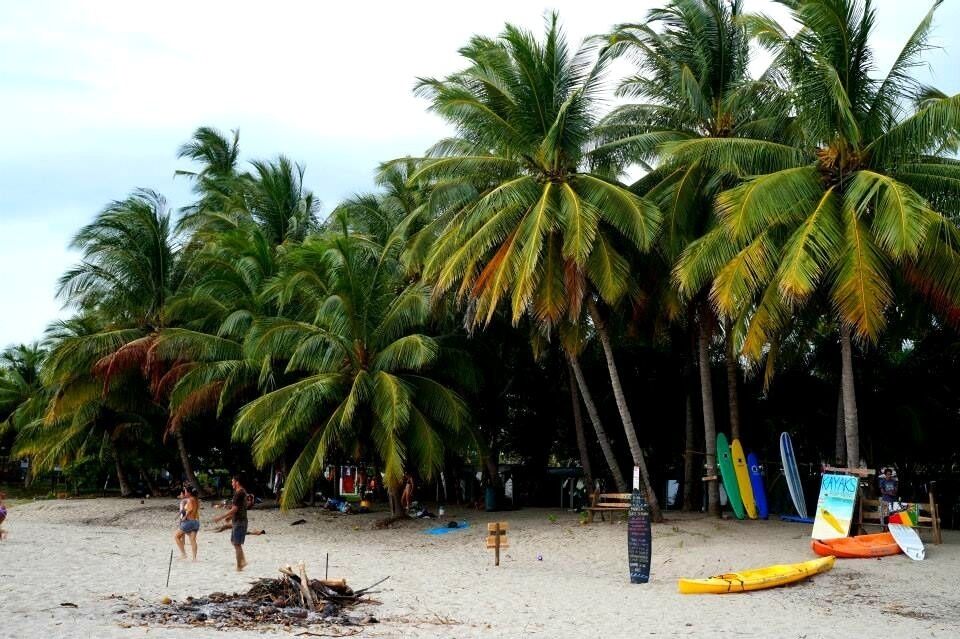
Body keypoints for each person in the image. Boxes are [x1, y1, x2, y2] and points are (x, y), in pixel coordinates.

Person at [213, 475, 248, 571]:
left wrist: (221, 517)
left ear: (237, 482)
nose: (231, 483)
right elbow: (239, 508)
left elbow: (235, 508)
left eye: (233, 482)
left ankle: (239, 566)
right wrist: (230, 517)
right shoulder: (242, 491)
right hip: (239, 520)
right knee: (235, 542)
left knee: (237, 544)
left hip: (239, 521)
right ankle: (243, 561)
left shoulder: (239, 493)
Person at [174, 485, 200, 560]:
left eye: (185, 491)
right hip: (196, 522)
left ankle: (183, 554)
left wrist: (185, 517)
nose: (184, 492)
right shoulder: (196, 499)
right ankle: (194, 558)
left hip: (189, 521)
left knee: (176, 537)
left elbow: (190, 509)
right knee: (193, 540)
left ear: (189, 493)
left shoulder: (189, 500)